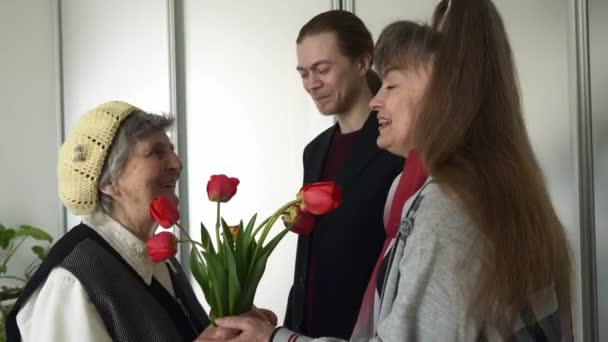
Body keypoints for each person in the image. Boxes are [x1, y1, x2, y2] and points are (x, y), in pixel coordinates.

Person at [199, 0, 573, 340]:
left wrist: (277, 340)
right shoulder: (319, 153)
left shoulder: (445, 205)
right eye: (303, 72)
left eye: (391, 84)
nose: (379, 99)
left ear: (445, 97)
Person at [5, 101, 241, 341]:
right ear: (108, 182)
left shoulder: (156, 258)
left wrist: (232, 327)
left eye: (171, 150)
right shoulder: (71, 282)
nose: (176, 163)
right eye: (156, 152)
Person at [285, 10, 404, 339]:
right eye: (304, 73)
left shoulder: (398, 147)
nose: (312, 83)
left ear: (363, 62)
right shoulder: (314, 151)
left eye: (322, 69)